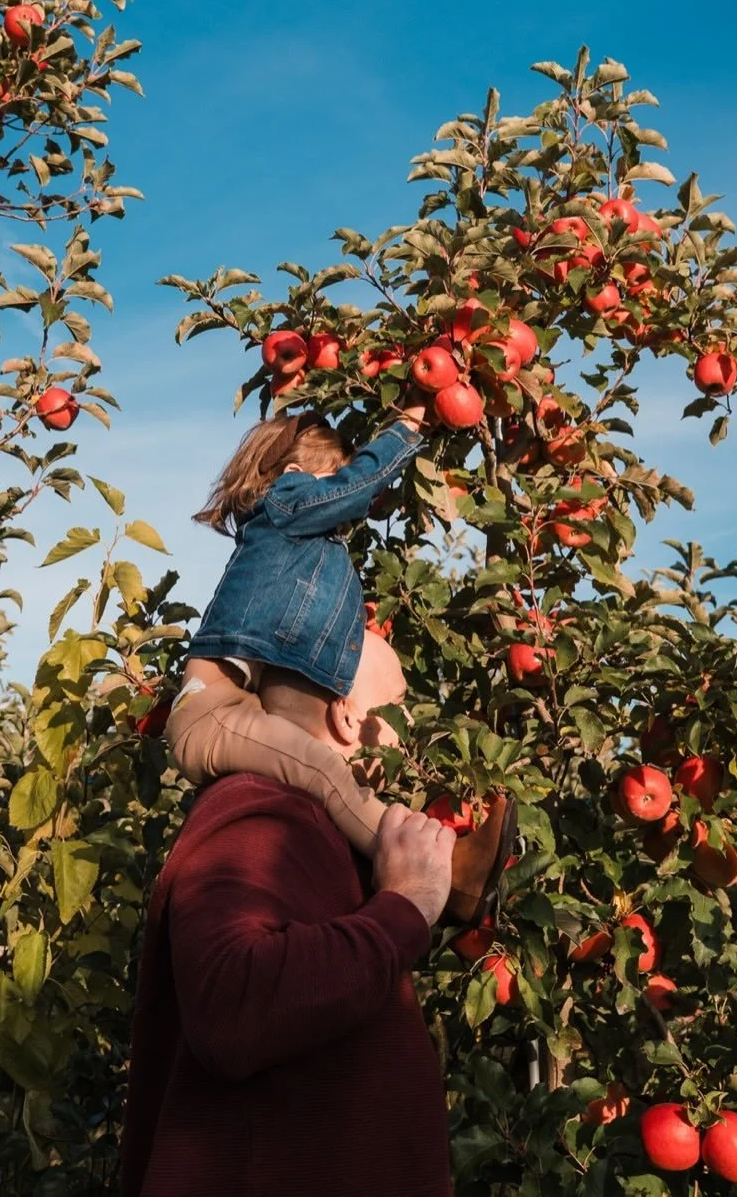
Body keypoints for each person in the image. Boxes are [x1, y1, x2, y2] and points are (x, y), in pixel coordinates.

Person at [120, 631, 461, 1197]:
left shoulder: (314, 829)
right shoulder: (262, 811)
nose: (408, 728)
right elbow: (231, 1001)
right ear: (348, 718)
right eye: (399, 704)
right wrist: (405, 907)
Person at [166, 402, 516, 923]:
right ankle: (447, 872)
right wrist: (408, 428)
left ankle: (381, 871)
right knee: (322, 769)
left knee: (318, 784)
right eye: (329, 478)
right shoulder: (283, 502)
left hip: (232, 706)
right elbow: (351, 488)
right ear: (294, 475)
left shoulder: (292, 543)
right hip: (209, 716)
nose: (342, 498)